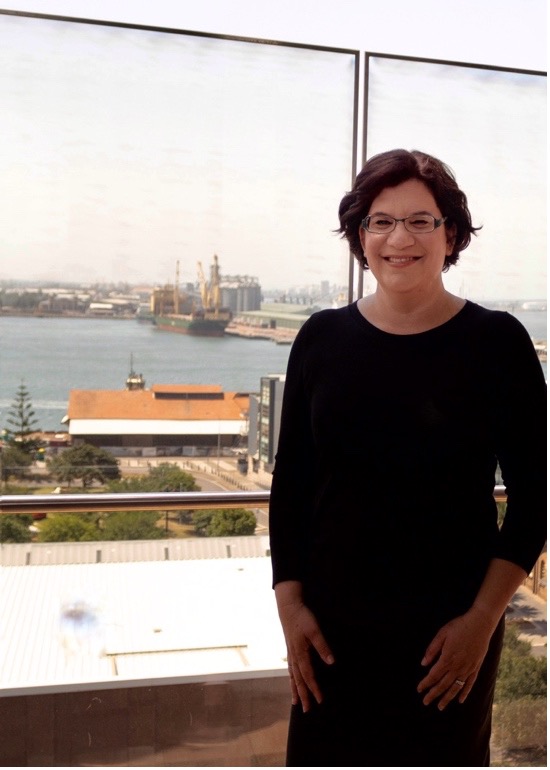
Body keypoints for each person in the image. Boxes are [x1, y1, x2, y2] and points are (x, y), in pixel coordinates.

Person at [268, 149, 546, 767]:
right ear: (359, 235)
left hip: (449, 633)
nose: (400, 238)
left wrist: (482, 621)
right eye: (380, 220)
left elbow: (535, 501)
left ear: (452, 234)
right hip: (329, 628)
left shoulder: (497, 344)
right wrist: (290, 610)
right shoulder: (320, 338)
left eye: (421, 220)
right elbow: (291, 486)